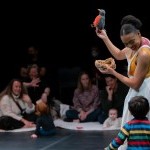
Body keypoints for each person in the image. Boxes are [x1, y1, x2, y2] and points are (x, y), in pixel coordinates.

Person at [96, 15, 150, 149]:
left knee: (132, 126)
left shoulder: (144, 53)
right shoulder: (135, 44)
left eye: (131, 42)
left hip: (144, 90)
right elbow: (120, 54)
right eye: (126, 44)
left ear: (138, 33)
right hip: (139, 89)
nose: (130, 46)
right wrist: (105, 37)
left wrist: (112, 73)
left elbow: (135, 84)